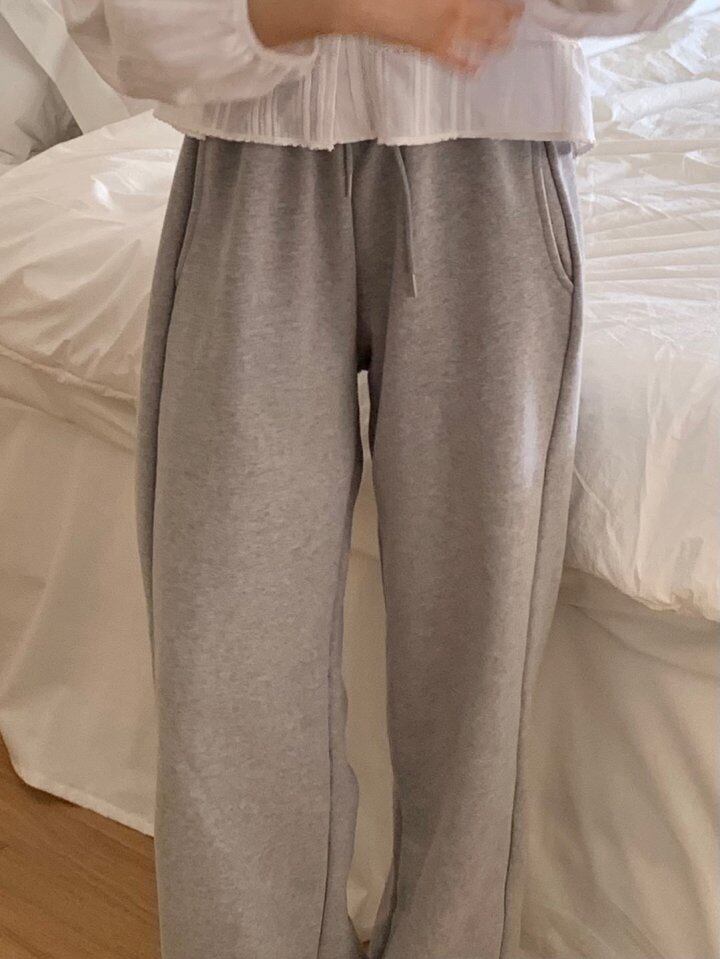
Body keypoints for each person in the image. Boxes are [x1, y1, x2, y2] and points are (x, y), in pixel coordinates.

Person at [62, 1, 693, 957]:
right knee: (227, 639)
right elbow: (123, 22)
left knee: (475, 640)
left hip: (493, 154)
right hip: (251, 162)